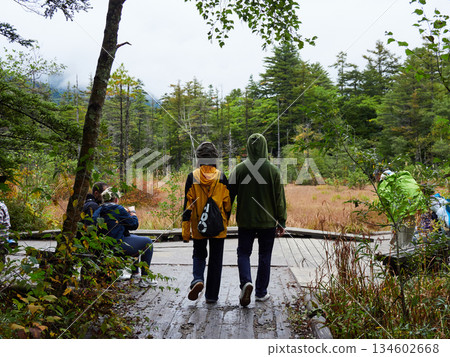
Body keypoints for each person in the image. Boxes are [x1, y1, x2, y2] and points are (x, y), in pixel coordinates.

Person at [229, 133, 287, 307]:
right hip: (268, 223)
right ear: (264, 147)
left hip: (245, 221)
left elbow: (228, 197)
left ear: (248, 147)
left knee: (243, 253)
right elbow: (279, 199)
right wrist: (281, 221)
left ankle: (246, 282)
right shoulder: (273, 171)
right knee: (265, 255)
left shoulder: (239, 170)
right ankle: (261, 292)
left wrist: (224, 217)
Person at [182, 142, 232, 303]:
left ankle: (197, 279)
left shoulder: (192, 177)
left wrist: (185, 232)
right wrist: (225, 220)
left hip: (199, 225)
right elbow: (228, 204)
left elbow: (188, 206)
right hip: (218, 226)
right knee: (216, 259)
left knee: (199, 254)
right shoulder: (222, 177)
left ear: (199, 159)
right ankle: (211, 296)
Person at [92, 187, 156, 288]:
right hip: (116, 246)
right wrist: (133, 213)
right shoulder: (118, 209)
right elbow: (134, 225)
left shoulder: (98, 210)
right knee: (147, 242)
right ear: (116, 199)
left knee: (133, 238)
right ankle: (145, 278)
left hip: (103, 247)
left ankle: (135, 274)